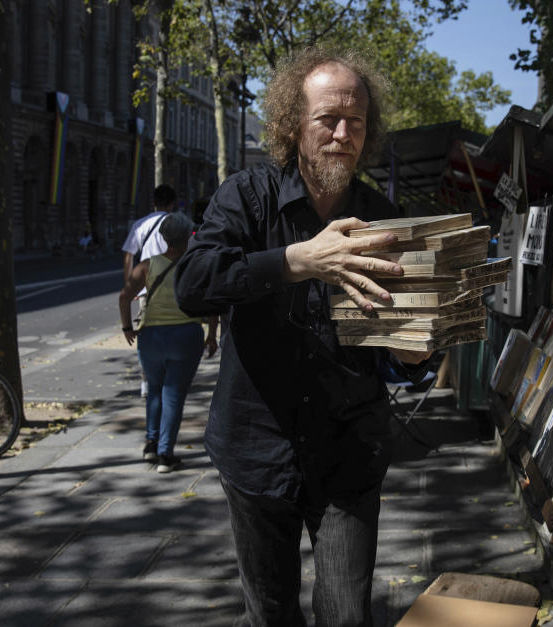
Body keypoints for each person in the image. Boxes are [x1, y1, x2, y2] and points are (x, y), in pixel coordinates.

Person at [174, 46, 431, 626]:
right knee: (270, 613)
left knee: (345, 616)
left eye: (356, 122)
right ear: (294, 124)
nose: (343, 134)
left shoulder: (384, 216)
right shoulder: (247, 195)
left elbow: (403, 344)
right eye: (328, 120)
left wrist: (413, 355)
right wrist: (296, 259)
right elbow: (192, 285)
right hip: (256, 451)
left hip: (349, 454)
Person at [119, 212, 218, 473]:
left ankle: (150, 444)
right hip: (186, 335)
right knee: (173, 395)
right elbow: (210, 302)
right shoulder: (196, 265)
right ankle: (165, 454)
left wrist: (127, 327)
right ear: (188, 236)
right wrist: (212, 334)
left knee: (154, 390)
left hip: (151, 336)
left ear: (163, 237)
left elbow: (124, 296)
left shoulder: (146, 266)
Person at [122, 184, 177, 397]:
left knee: (147, 334)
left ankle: (147, 380)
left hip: (147, 289)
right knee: (174, 332)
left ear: (154, 203)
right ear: (172, 204)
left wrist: (130, 284)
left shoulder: (140, 224)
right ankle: (170, 378)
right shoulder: (177, 224)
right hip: (173, 288)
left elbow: (128, 256)